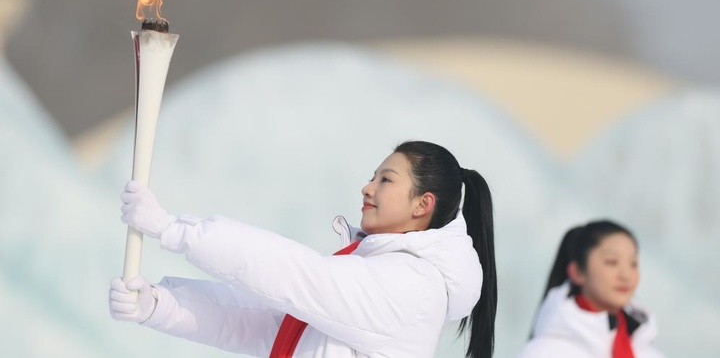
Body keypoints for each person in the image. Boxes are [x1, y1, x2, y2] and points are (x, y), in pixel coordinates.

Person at [108, 140, 498, 358]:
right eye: (372, 177)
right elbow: (267, 325)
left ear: (422, 204)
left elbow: (294, 276)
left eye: (386, 179)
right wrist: (160, 305)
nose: (367, 187)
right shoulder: (370, 273)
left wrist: (174, 230)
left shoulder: (414, 288)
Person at [516, 220, 664, 358]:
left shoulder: (647, 352)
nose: (626, 275)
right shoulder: (545, 352)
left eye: (633, 263)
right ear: (577, 272)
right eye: (612, 262)